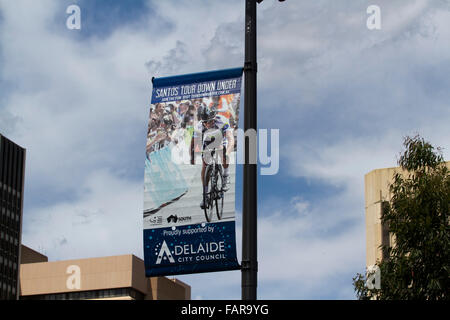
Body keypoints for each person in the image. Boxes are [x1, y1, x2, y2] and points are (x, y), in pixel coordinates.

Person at [191, 105, 234, 209]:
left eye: (211, 121)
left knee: (222, 151)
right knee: (205, 164)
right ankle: (205, 196)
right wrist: (192, 156)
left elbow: (231, 139)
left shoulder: (222, 120)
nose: (209, 124)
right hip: (207, 140)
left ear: (215, 117)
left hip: (220, 138)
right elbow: (194, 143)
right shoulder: (199, 126)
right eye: (206, 122)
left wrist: (227, 153)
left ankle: (225, 175)